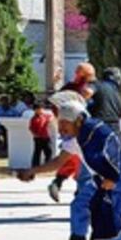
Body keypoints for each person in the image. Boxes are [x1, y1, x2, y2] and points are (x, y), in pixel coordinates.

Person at [16, 91, 121, 240]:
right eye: (59, 123)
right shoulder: (75, 137)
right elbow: (58, 162)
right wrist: (32, 171)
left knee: (105, 217)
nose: (60, 128)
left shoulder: (97, 130)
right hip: (100, 179)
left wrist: (112, 178)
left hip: (118, 179)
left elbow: (113, 152)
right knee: (79, 206)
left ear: (78, 120)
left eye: (64, 123)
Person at [48, 63, 96, 203]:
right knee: (81, 159)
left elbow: (55, 107)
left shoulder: (69, 88)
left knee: (71, 157)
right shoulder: (84, 89)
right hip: (79, 127)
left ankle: (59, 182)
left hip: (70, 127)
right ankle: (78, 190)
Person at [29, 102, 55, 168]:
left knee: (48, 151)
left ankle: (47, 165)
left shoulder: (45, 116)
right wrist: (35, 134)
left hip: (45, 137)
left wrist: (50, 120)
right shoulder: (33, 118)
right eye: (38, 109)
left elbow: (52, 117)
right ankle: (35, 165)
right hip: (38, 138)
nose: (40, 110)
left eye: (40, 108)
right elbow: (31, 128)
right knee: (37, 152)